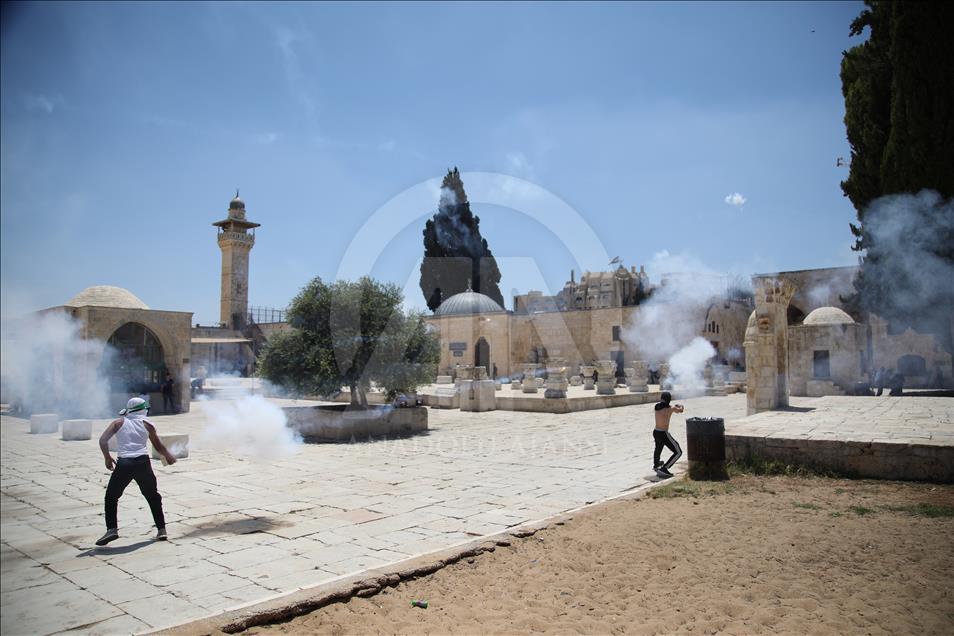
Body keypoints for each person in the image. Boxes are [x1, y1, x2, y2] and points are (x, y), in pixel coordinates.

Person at [96, 397, 176, 545]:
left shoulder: (118, 423)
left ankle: (112, 529)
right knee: (153, 496)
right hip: (143, 463)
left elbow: (102, 440)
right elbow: (158, 446)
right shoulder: (148, 424)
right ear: (143, 409)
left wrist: (107, 457)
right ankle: (161, 529)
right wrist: (168, 456)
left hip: (124, 463)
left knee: (111, 497)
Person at [652, 391, 685, 479]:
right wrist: (681, 406)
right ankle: (664, 468)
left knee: (658, 448)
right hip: (663, 433)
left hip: (656, 432)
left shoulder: (656, 407)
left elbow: (663, 405)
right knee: (678, 452)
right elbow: (681, 410)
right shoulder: (670, 409)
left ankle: (656, 465)